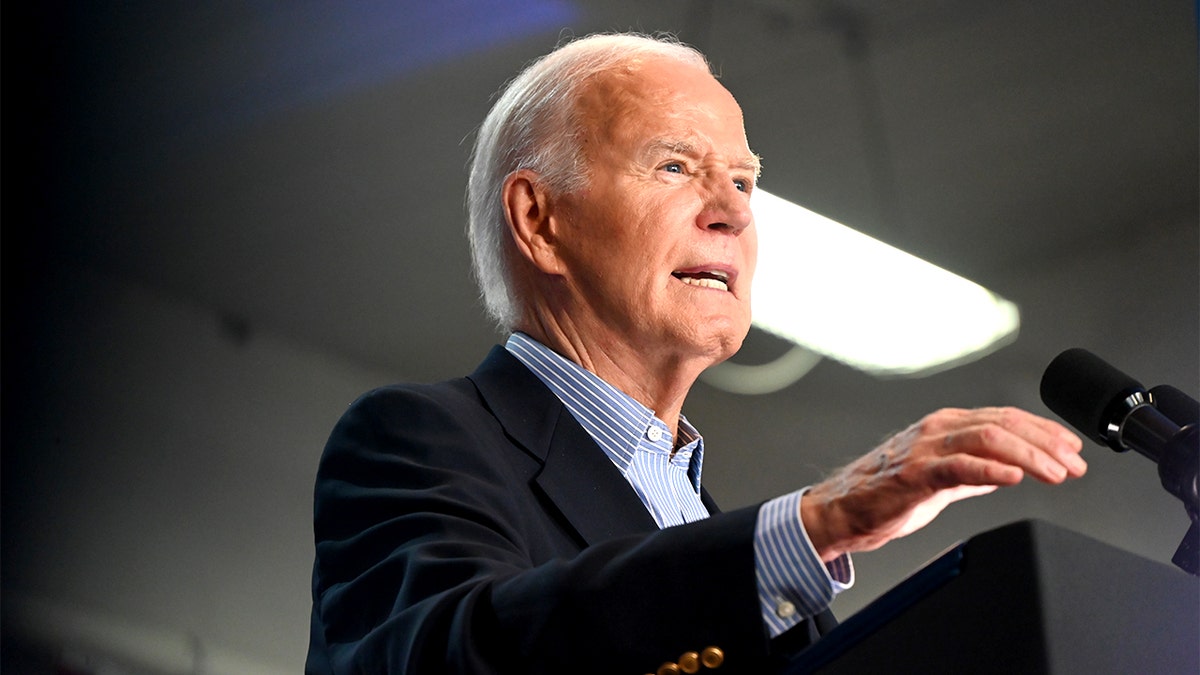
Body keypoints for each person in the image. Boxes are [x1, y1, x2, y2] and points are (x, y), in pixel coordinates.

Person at [305, 32, 1086, 674]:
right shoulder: (416, 440)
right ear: (539, 220)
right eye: (676, 166)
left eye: (743, 182)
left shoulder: (704, 518)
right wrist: (814, 522)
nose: (732, 215)